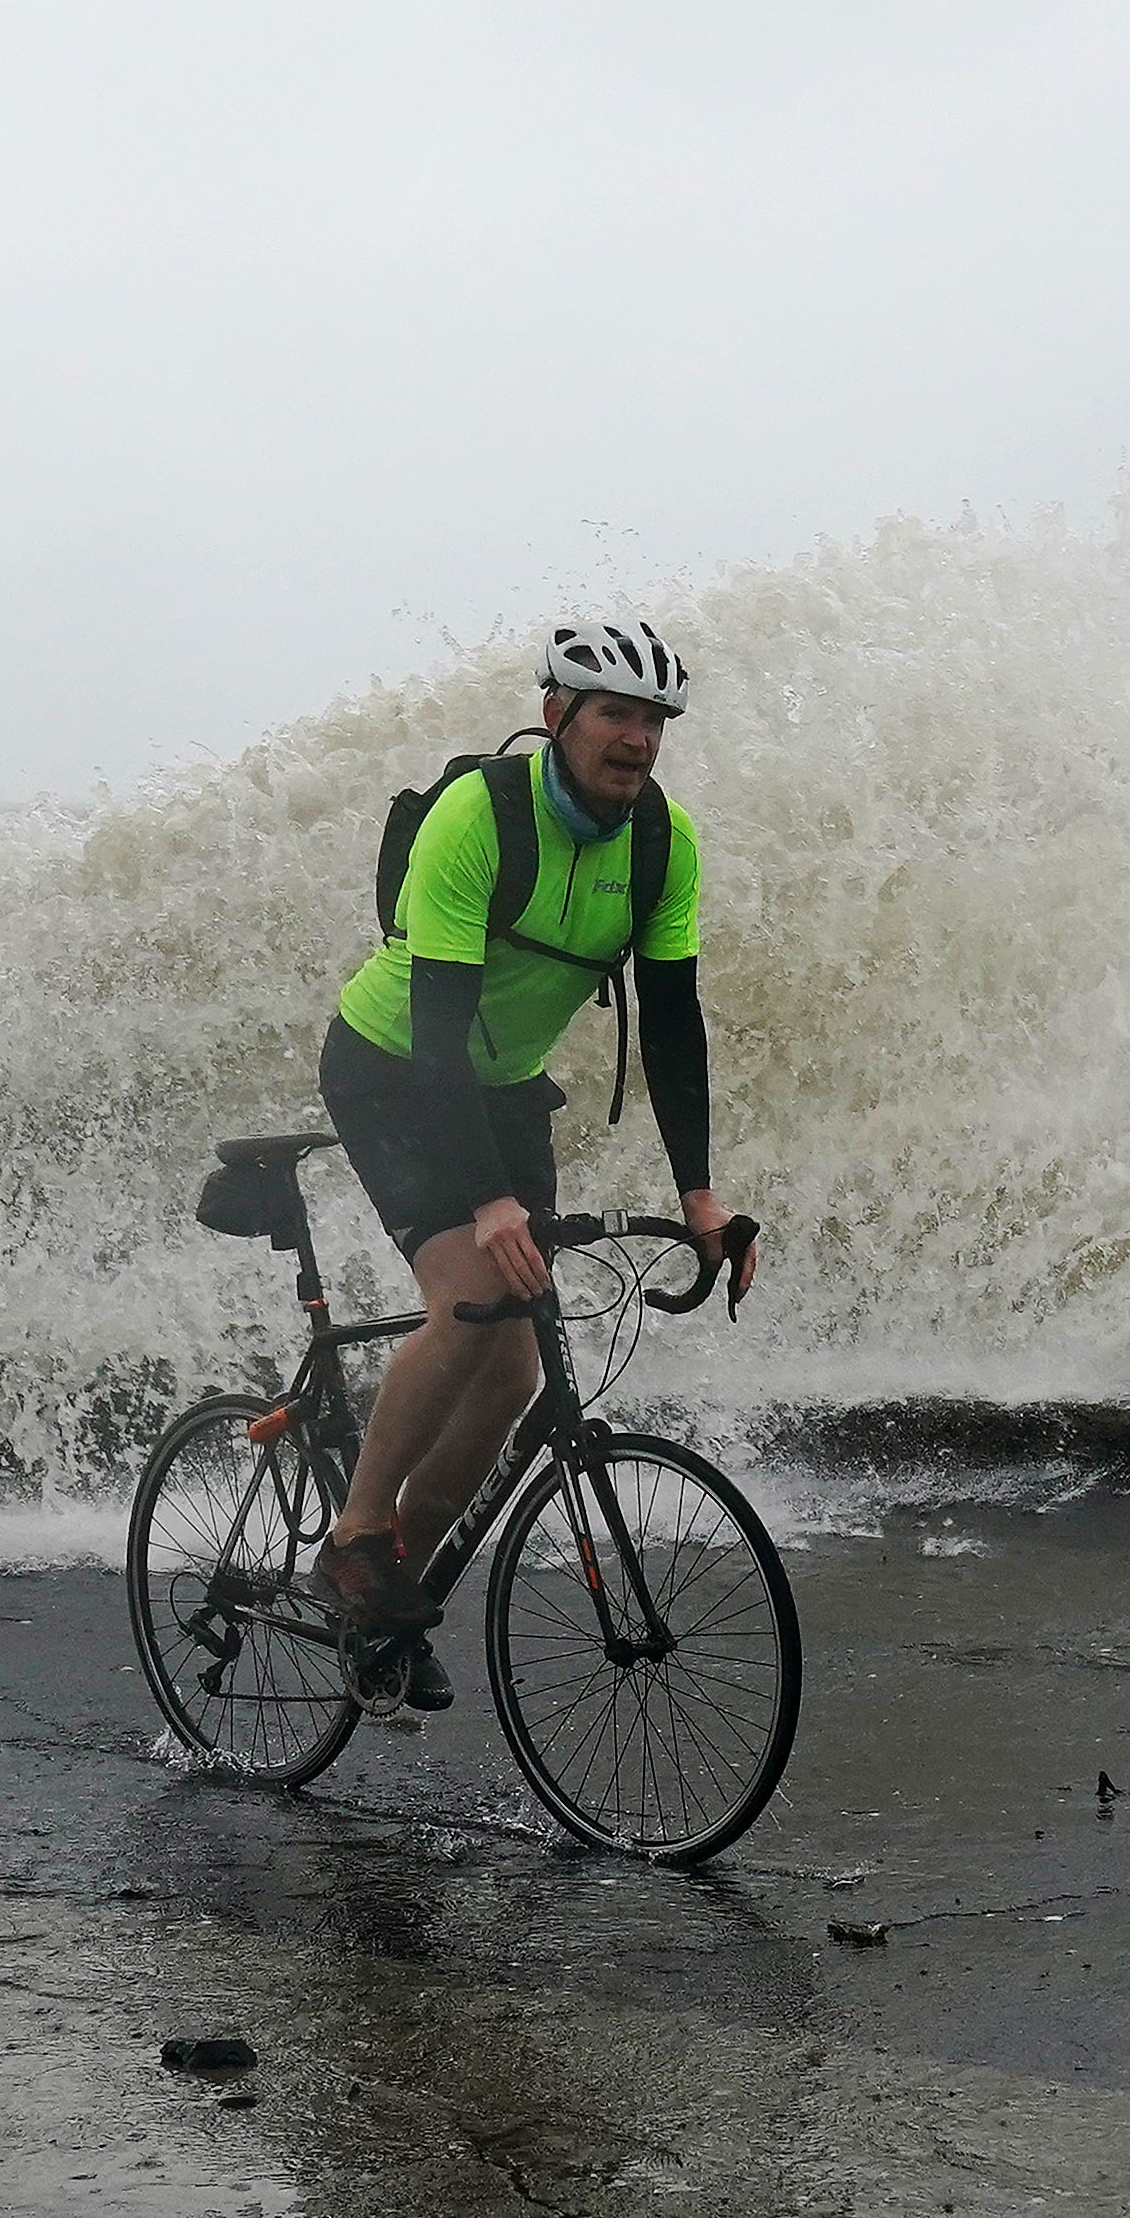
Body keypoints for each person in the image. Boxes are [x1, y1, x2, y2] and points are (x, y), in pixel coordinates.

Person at [313, 620, 750, 1701]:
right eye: (614, 712)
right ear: (556, 714)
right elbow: (435, 1026)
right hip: (393, 1066)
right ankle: (353, 1539)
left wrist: (698, 1196)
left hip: (503, 1086)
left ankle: (392, 1594)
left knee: (511, 1365)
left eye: (652, 720)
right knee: (469, 1292)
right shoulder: (478, 817)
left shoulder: (662, 842)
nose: (636, 739)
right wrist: (490, 1198)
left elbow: (675, 1025)